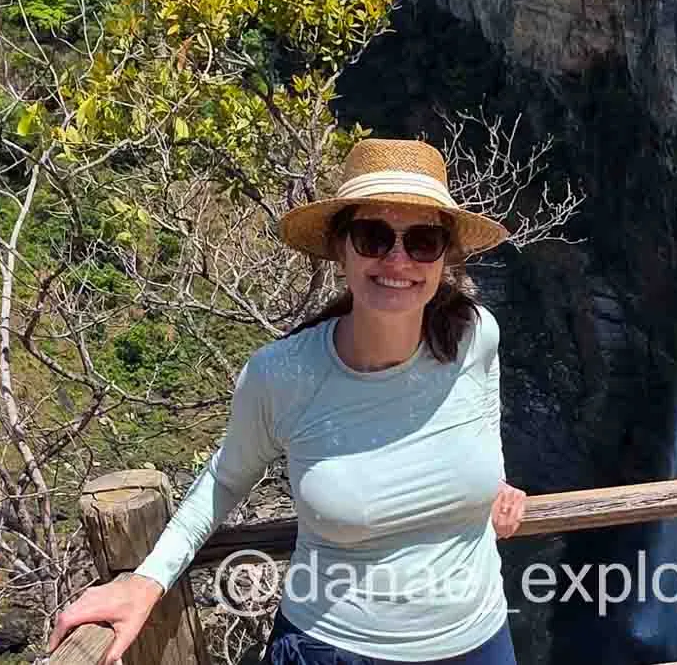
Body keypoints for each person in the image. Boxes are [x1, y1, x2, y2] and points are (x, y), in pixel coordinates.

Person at [48, 138, 528, 665]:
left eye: (422, 241)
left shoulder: (475, 335)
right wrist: (146, 581)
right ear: (340, 249)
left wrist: (491, 480)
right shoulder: (284, 374)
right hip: (335, 648)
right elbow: (225, 479)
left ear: (443, 258)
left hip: (477, 641)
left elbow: (483, 411)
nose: (397, 259)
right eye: (372, 237)